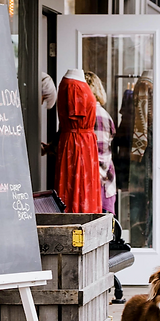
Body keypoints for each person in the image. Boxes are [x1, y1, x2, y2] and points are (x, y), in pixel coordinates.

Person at [54, 68, 102, 213]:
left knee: (78, 187)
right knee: (78, 188)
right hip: (79, 145)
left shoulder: (70, 84)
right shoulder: (74, 86)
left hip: (80, 143)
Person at [84, 71, 117, 214]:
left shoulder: (96, 114)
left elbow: (100, 156)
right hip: (101, 184)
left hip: (99, 185)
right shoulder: (100, 114)